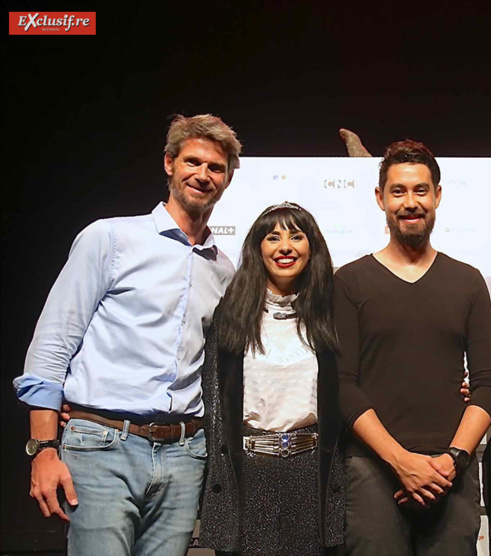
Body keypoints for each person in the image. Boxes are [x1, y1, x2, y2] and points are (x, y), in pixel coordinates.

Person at [13, 114, 241, 555]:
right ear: (169, 163)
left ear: (228, 178)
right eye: (193, 162)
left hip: (184, 453)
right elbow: (53, 343)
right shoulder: (110, 238)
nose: (203, 175)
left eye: (216, 168)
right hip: (101, 446)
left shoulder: (223, 269)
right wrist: (43, 448)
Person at [334, 139, 491, 555]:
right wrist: (400, 461)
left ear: (438, 196)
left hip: (453, 473)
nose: (410, 202)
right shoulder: (350, 282)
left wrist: (452, 460)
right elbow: (342, 384)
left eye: (421, 190)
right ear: (380, 199)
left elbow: (487, 383)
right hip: (371, 471)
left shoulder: (468, 281)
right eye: (398, 191)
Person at [198, 202, 344, 556]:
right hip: (246, 472)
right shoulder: (230, 312)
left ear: (313, 247)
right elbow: (210, 394)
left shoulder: (331, 312)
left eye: (297, 236)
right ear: (257, 247)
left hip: (312, 473)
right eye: (273, 237)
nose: (285, 247)